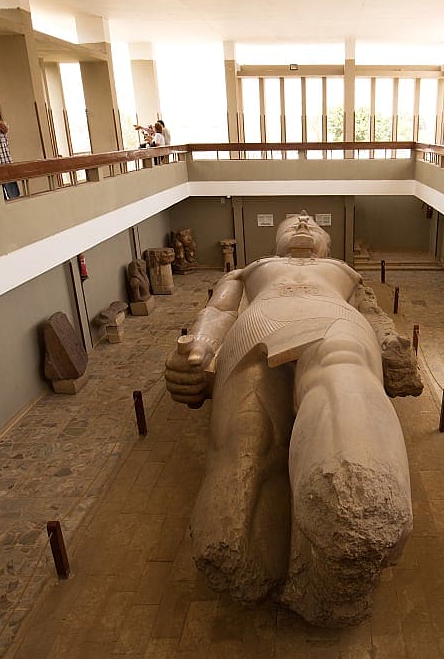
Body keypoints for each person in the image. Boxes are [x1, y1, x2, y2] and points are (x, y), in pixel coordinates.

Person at [165, 212, 412, 627]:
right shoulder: (251, 270)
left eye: (312, 222)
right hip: (258, 324)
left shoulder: (343, 271)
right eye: (292, 222)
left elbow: (373, 315)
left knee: (342, 373)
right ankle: (249, 551)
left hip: (334, 320)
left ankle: (355, 514)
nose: (302, 223)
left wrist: (392, 348)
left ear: (326, 245)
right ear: (275, 241)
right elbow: (219, 312)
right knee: (249, 445)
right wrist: (199, 351)